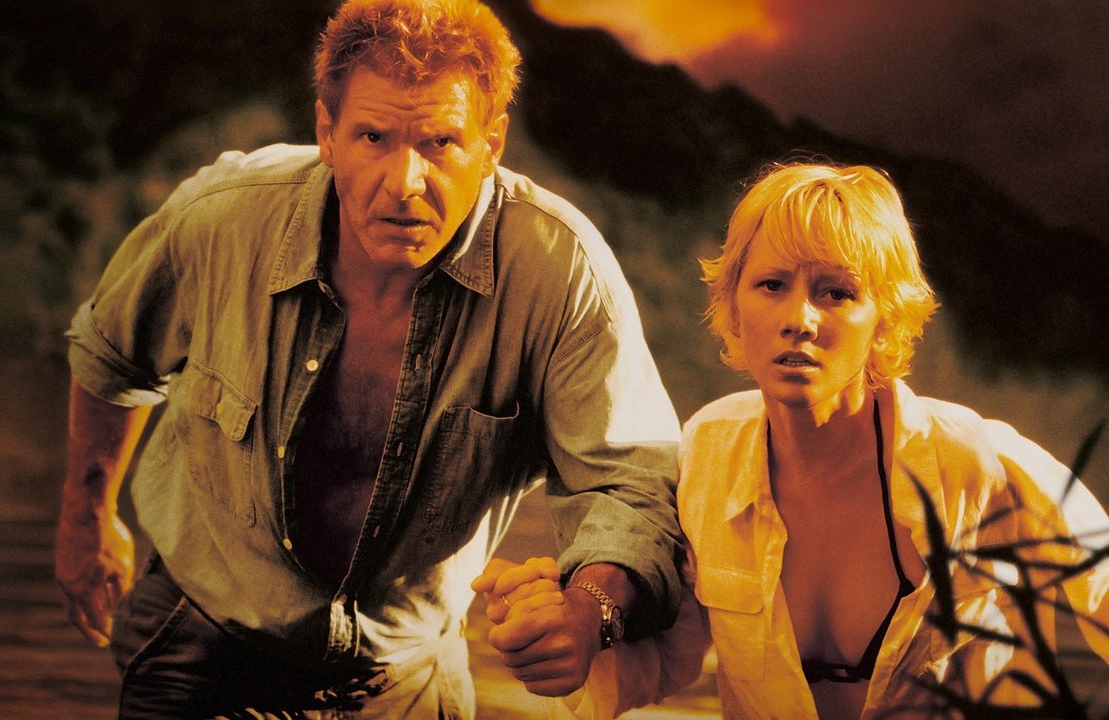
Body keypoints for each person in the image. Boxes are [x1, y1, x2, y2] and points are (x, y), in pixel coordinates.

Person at [53, 0, 684, 717]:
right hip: (203, 641)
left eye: (441, 143)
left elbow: (632, 482)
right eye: (373, 137)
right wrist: (86, 518)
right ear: (327, 132)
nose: (404, 182)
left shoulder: (558, 270)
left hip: (407, 674)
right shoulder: (223, 219)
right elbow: (111, 354)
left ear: (491, 144)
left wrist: (589, 609)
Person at [482, 163, 1109, 719]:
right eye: (772, 285)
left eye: (836, 292)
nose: (800, 319)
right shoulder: (710, 453)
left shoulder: (974, 462)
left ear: (884, 318)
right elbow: (665, 660)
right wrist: (568, 629)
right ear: (734, 306)